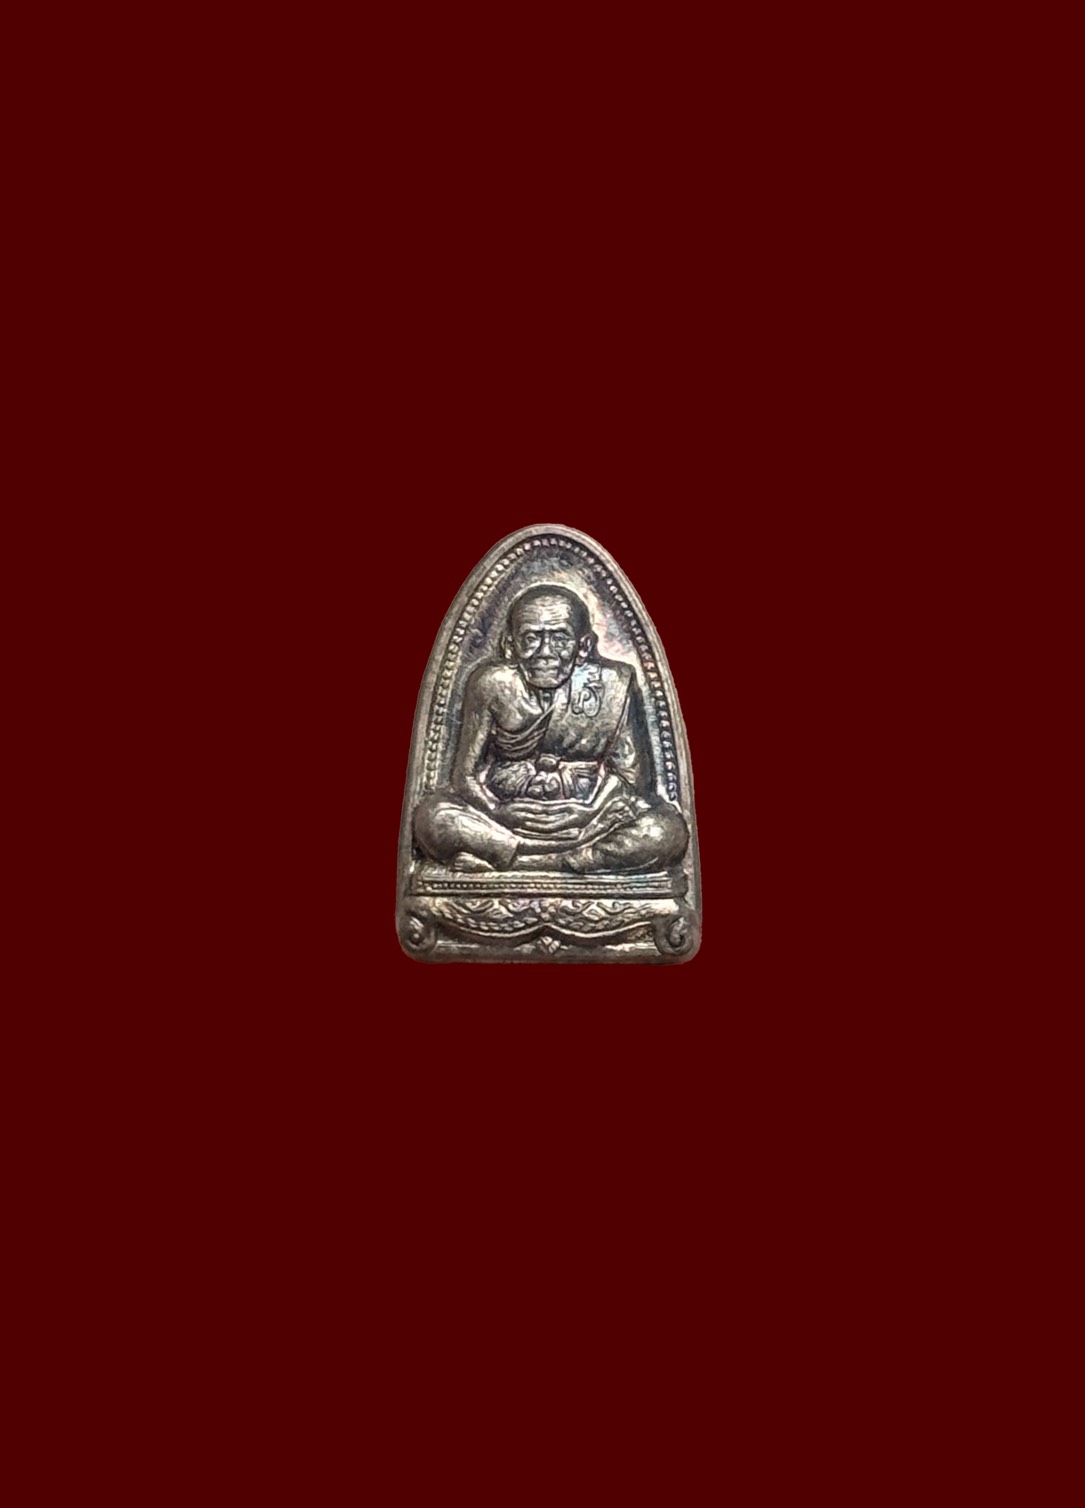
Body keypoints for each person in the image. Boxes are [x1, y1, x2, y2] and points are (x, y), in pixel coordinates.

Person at [414, 585, 688, 872]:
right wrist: (496, 810)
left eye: (560, 639)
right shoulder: (490, 684)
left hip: (590, 821)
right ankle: (558, 860)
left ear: (583, 647)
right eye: (531, 638)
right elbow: (464, 777)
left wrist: (589, 813)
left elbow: (633, 781)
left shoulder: (614, 683)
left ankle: (536, 863)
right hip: (506, 821)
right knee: (432, 818)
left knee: (664, 831)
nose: (544, 652)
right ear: (510, 645)